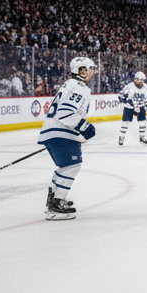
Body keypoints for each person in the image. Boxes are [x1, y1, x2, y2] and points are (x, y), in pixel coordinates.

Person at [37, 55, 98, 221]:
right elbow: (65, 112)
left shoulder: (69, 85)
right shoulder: (79, 87)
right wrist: (84, 126)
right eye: (90, 69)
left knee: (66, 166)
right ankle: (56, 202)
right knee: (72, 165)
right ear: (82, 71)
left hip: (53, 131)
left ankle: (55, 199)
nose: (93, 72)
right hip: (61, 132)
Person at [119, 72, 147, 146]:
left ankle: (142, 137)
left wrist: (145, 105)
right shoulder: (129, 86)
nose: (139, 81)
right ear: (135, 79)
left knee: (142, 122)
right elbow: (120, 96)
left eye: (141, 80)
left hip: (141, 106)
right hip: (129, 107)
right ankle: (122, 137)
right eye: (138, 79)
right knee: (125, 122)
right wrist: (127, 101)